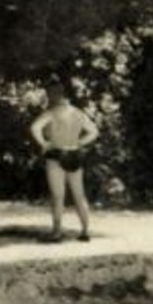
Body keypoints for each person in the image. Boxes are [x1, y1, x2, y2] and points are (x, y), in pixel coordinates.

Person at [29, 80, 100, 243]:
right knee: (79, 194)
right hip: (74, 153)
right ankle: (85, 230)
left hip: (56, 153)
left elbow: (35, 128)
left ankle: (57, 231)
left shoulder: (52, 113)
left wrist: (44, 143)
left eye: (49, 95)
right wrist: (80, 143)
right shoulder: (77, 113)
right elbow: (94, 132)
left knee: (58, 196)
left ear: (53, 95)